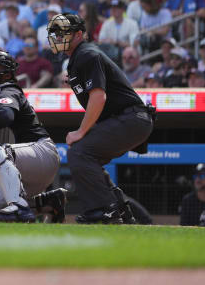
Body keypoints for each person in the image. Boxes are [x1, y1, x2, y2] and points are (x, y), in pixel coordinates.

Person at [47, 13, 153, 224]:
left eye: (64, 33)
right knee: (88, 158)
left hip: (131, 117)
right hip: (131, 119)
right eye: (56, 34)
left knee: (79, 151)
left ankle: (104, 209)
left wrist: (80, 131)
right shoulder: (78, 59)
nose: (59, 38)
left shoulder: (87, 54)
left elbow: (98, 97)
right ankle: (121, 209)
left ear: (79, 34)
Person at [0, 49, 66, 223]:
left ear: (6, 74)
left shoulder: (7, 89)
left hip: (41, 152)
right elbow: (7, 148)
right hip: (27, 163)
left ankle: (18, 206)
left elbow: (6, 116)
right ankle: (48, 203)